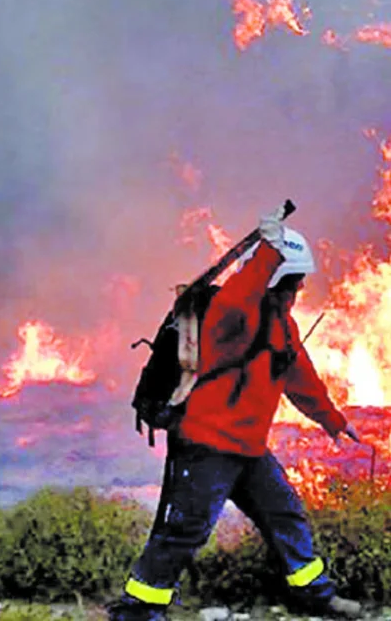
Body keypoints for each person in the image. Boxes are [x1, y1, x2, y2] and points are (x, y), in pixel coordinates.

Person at [107, 205, 362, 620]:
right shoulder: (230, 315)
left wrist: (333, 420)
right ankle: (137, 609)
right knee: (185, 531)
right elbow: (241, 293)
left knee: (286, 515)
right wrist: (270, 252)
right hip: (205, 445)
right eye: (293, 281)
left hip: (249, 449)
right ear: (275, 280)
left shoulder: (284, 325)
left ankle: (315, 595)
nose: (299, 290)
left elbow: (300, 379)